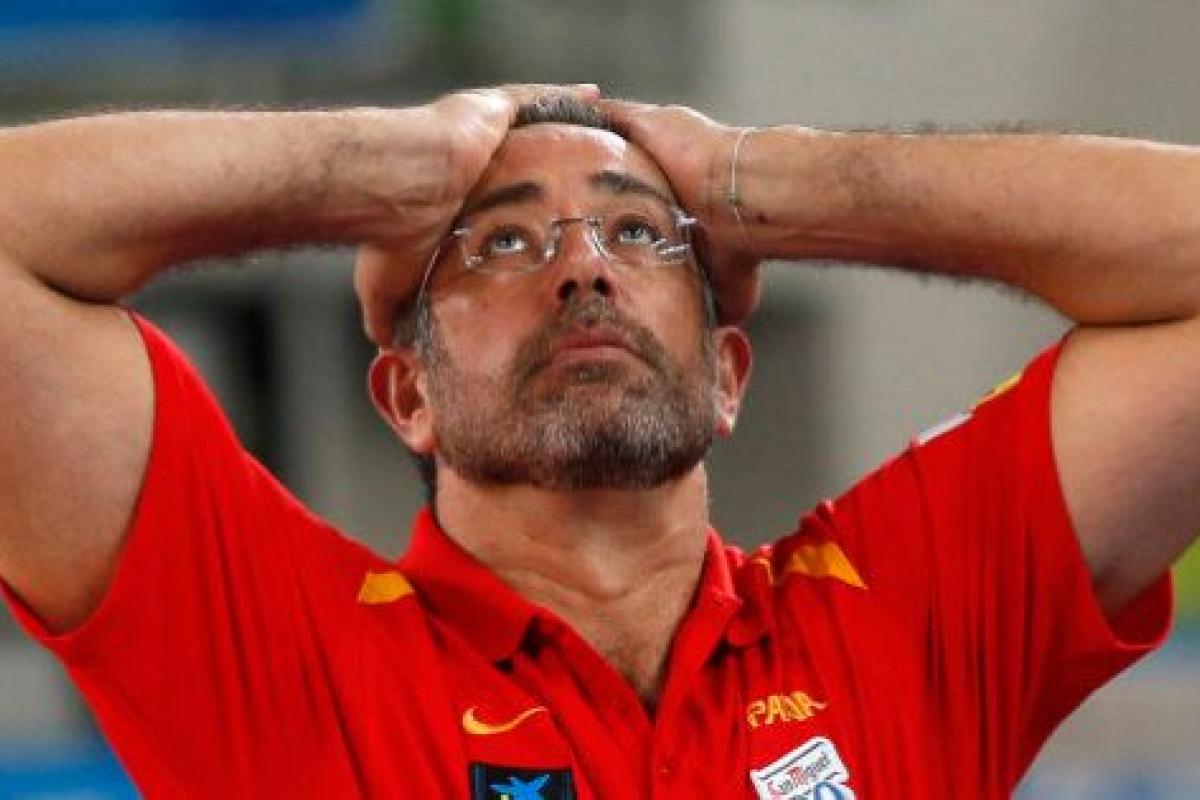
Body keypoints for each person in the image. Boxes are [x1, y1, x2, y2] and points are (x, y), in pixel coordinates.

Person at [0, 82, 1192, 798]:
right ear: (407, 394)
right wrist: (387, 164)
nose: (584, 270)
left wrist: (757, 176)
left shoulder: (899, 614)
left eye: (639, 233)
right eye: (502, 243)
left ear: (727, 374)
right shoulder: (280, 657)